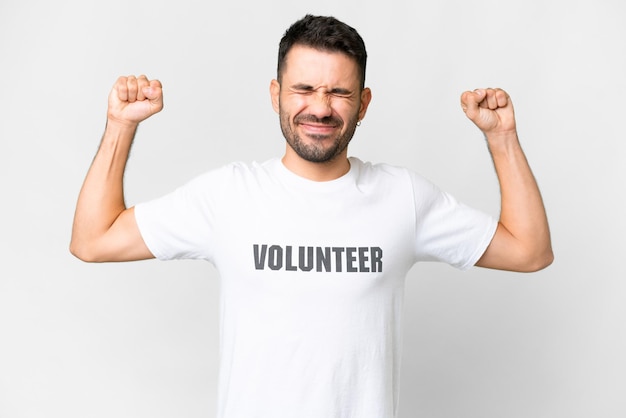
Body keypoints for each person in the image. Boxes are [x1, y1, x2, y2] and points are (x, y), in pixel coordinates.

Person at [70, 14, 552, 418]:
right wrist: (120, 126)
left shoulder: (402, 197)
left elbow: (529, 251)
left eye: (339, 93)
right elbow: (93, 240)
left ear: (363, 104)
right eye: (303, 88)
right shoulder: (228, 195)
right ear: (276, 93)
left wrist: (502, 137)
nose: (319, 108)